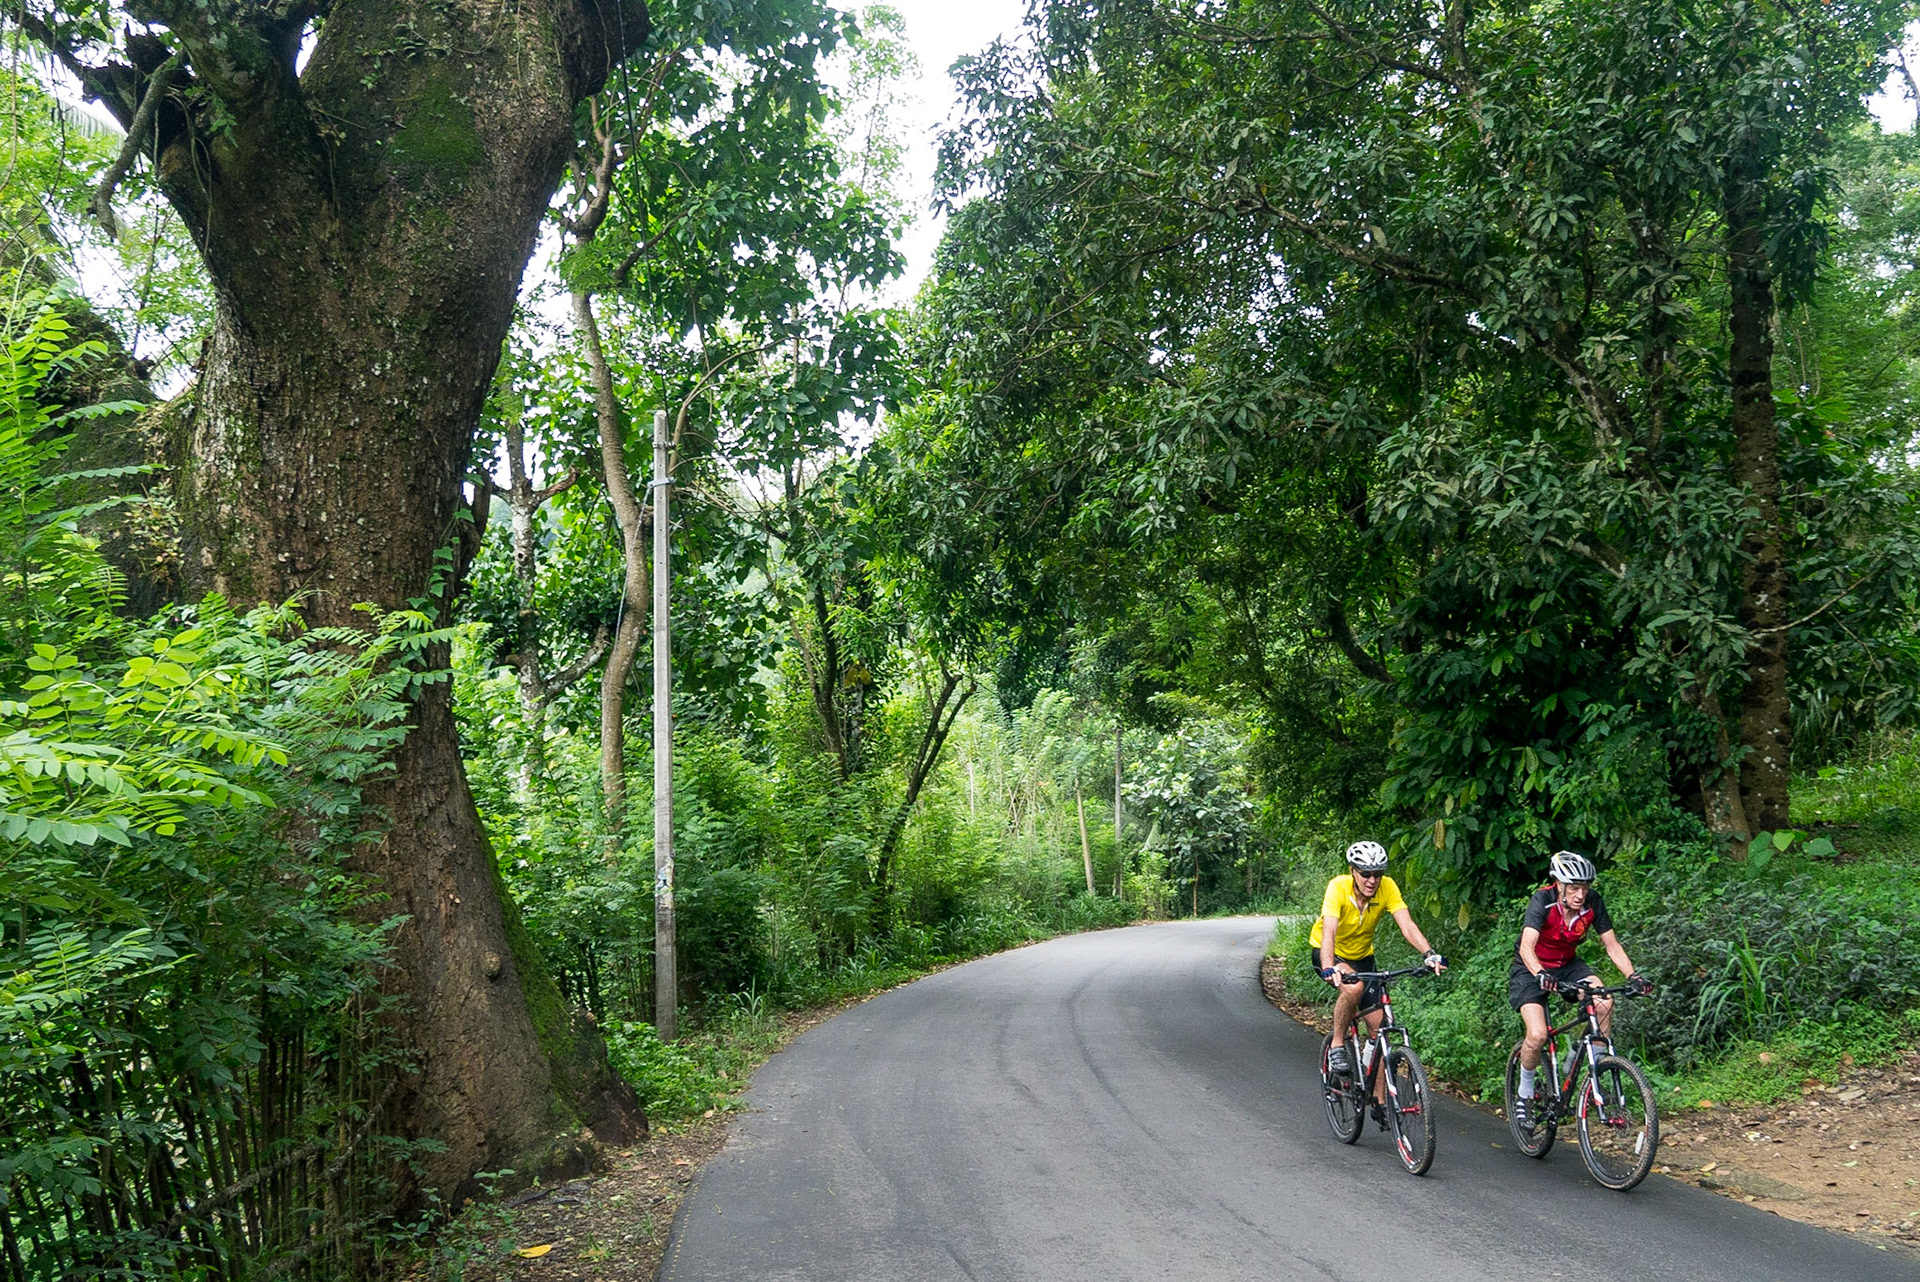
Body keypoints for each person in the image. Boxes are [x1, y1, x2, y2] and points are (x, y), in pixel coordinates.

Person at [1508, 850, 1653, 1130]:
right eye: (1574, 888)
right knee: (1537, 1035)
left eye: (1584, 888)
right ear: (1559, 885)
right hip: (1531, 968)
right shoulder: (1543, 901)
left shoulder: (1593, 902)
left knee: (1604, 1002)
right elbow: (1526, 947)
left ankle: (1592, 1067)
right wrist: (1540, 974)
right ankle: (1524, 1094)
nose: (1580, 894)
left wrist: (1632, 975)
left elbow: (1612, 945)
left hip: (1567, 964)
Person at [1309, 841, 1445, 1120]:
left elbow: (1407, 925)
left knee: (1380, 1026)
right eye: (1365, 874)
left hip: (1363, 957)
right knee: (1353, 988)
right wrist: (1329, 967)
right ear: (1353, 871)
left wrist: (1429, 954)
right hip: (1330, 953)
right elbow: (1329, 932)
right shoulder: (1338, 887)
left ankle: (1378, 1099)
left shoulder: (1388, 888)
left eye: (1377, 874)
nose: (1372, 880)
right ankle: (1337, 1044)